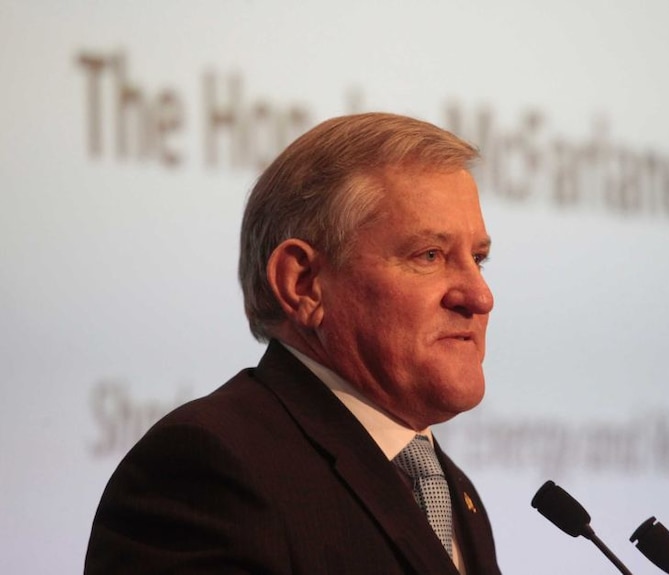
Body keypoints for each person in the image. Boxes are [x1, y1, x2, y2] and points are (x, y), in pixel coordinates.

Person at [84, 112, 502, 574]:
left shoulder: (453, 493)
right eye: (429, 255)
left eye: (478, 259)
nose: (479, 296)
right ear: (302, 284)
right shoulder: (209, 471)